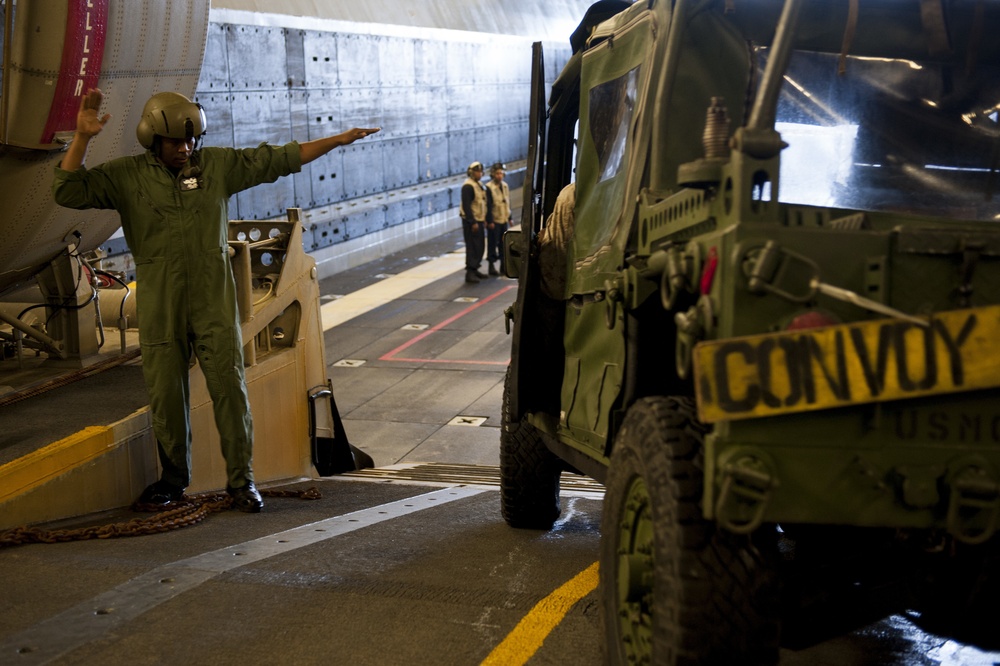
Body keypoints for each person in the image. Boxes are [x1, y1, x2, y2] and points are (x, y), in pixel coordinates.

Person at [52, 89, 380, 513]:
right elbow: (67, 190)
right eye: (175, 142)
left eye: (191, 141)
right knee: (167, 397)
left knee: (230, 391)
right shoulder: (125, 176)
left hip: (214, 303)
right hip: (160, 304)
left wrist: (335, 140)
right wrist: (82, 139)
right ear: (153, 139)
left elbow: (278, 159)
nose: (185, 149)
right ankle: (173, 480)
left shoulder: (217, 167)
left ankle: (242, 482)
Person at [459, 161, 488, 283]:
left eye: (481, 171)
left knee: (479, 246)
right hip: (471, 221)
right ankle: (470, 272)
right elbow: (467, 205)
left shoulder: (479, 185)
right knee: (472, 246)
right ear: (471, 173)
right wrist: (473, 222)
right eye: (477, 172)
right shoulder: (468, 186)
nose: (479, 174)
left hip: (479, 219)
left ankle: (475, 268)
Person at [484, 162, 512, 276]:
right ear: (493, 175)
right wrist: (490, 221)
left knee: (502, 243)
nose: (499, 175)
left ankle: (502, 266)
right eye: (497, 173)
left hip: (503, 219)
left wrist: (510, 217)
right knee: (492, 243)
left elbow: (507, 203)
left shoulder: (505, 186)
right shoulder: (488, 188)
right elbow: (488, 205)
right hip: (494, 220)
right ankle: (491, 266)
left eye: (501, 173)